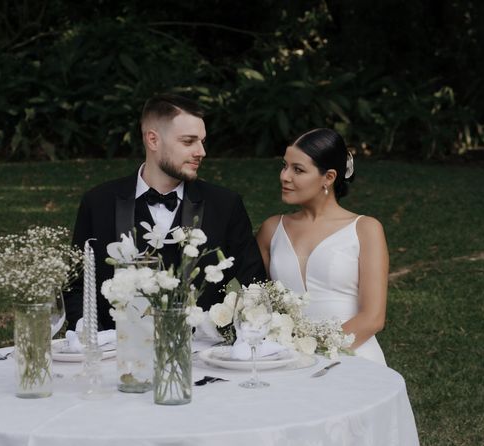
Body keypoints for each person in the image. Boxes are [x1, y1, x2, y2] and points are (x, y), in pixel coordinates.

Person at [65, 93, 266, 331]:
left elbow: (253, 282)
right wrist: (88, 335)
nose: (201, 151)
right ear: (153, 140)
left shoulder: (225, 205)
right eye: (188, 141)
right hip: (117, 353)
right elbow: (76, 285)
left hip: (199, 352)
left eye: (202, 141)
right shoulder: (99, 202)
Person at [256, 128, 388, 364]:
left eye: (298, 170)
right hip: (285, 360)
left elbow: (373, 317)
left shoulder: (365, 230)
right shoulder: (271, 230)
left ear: (328, 177)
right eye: (284, 166)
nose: (284, 176)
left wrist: (312, 352)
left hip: (352, 355)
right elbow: (257, 303)